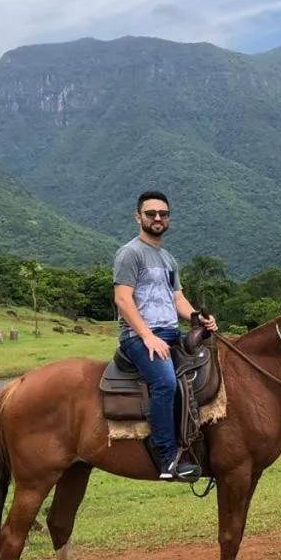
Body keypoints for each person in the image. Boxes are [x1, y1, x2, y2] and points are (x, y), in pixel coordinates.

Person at [113, 190, 218, 481]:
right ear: (139, 217)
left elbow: (178, 300)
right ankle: (167, 456)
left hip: (171, 332)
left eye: (163, 214)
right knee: (165, 381)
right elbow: (123, 299)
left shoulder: (168, 258)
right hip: (139, 337)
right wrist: (147, 336)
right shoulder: (130, 253)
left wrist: (198, 318)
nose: (158, 218)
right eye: (151, 213)